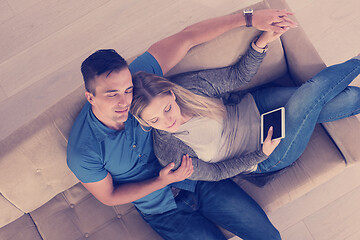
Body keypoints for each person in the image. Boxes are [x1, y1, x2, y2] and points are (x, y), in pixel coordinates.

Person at [67, 8, 298, 240]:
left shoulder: (140, 84)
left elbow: (187, 37)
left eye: (127, 90)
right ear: (90, 97)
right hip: (163, 210)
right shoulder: (83, 151)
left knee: (269, 236)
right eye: (111, 95)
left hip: (199, 179)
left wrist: (248, 19)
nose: (124, 101)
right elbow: (109, 196)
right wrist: (162, 180)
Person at [130, 34, 360, 183]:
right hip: (265, 154)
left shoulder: (189, 88)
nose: (167, 121)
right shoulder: (170, 150)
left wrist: (259, 45)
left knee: (344, 98)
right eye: (154, 120)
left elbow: (237, 76)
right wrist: (261, 153)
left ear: (171, 94)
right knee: (310, 95)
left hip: (256, 106)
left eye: (168, 108)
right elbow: (217, 173)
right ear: (145, 123)